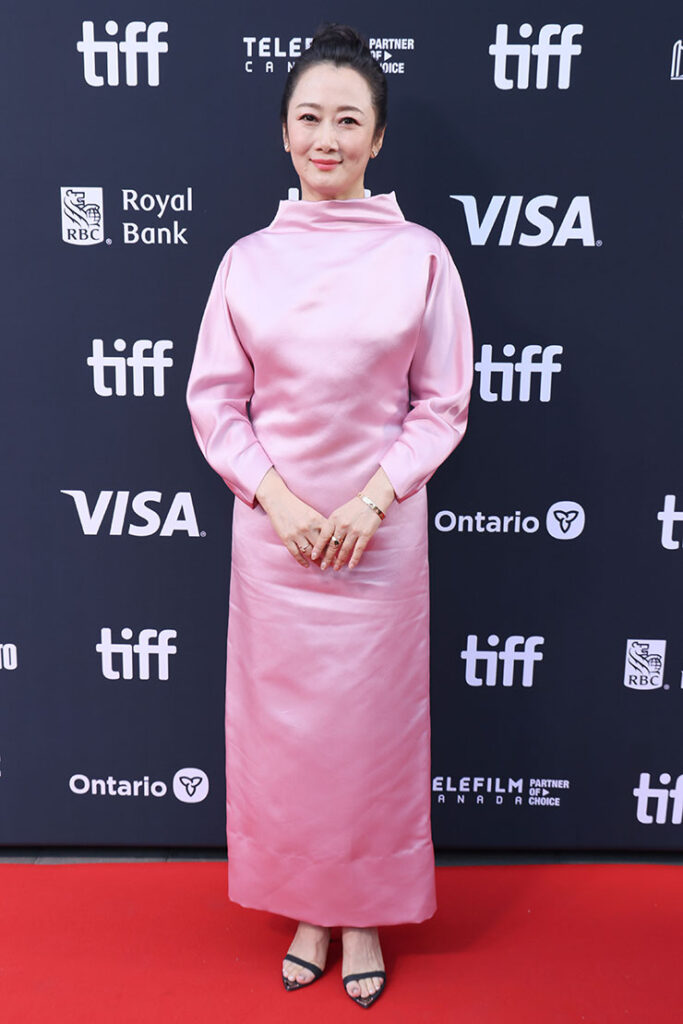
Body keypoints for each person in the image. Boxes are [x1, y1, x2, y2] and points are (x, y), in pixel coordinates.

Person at [186, 22, 473, 1009]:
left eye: (348, 119)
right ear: (283, 131)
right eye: (309, 115)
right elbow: (215, 404)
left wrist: (366, 501)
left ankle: (364, 915)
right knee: (285, 739)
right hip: (273, 542)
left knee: (371, 736)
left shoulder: (419, 257)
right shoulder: (245, 262)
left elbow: (440, 405)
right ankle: (306, 902)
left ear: (378, 139)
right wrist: (275, 500)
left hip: (379, 540)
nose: (327, 136)